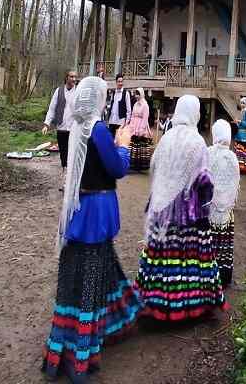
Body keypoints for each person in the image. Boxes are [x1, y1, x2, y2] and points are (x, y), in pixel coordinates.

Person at [40, 77, 141, 382]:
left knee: (80, 272)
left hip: (80, 209)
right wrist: (123, 146)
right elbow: (118, 168)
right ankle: (83, 351)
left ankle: (109, 321)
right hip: (97, 211)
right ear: (97, 99)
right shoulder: (97, 128)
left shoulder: (76, 128)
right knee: (92, 277)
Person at [138, 95, 225, 321]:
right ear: (194, 113)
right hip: (188, 211)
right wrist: (206, 203)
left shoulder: (166, 138)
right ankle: (187, 304)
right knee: (188, 256)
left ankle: (157, 301)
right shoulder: (196, 142)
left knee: (162, 254)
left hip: (163, 207)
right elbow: (204, 180)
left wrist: (164, 189)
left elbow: (154, 166)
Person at [208, 119, 240, 288]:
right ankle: (223, 274)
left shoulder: (208, 153)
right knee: (223, 242)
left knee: (209, 242)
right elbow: (234, 185)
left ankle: (207, 275)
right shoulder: (232, 157)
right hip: (226, 211)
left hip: (209, 209)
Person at [43, 70, 78, 169]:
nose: (74, 79)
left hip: (73, 128)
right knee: (63, 151)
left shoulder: (78, 91)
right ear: (66, 78)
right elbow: (52, 108)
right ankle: (64, 168)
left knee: (71, 151)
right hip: (61, 127)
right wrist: (46, 124)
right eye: (71, 77)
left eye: (75, 77)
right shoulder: (59, 91)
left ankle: (70, 171)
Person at [128, 87, 153, 171]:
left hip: (141, 126)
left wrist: (141, 130)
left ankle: (141, 165)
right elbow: (132, 115)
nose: (136, 96)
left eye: (138, 94)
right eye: (136, 94)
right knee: (133, 146)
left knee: (141, 147)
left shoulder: (145, 105)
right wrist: (131, 126)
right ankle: (133, 164)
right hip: (134, 126)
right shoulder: (135, 104)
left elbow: (145, 119)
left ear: (141, 94)